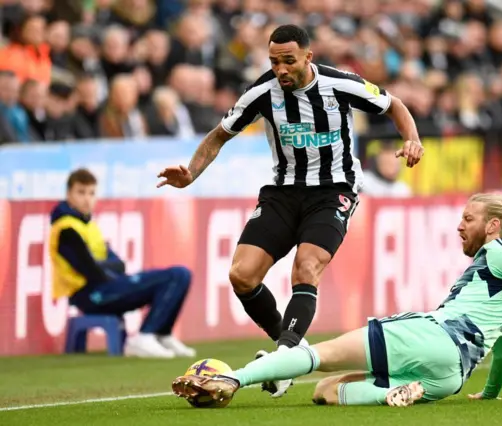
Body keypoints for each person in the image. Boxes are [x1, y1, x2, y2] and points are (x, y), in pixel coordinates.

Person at [157, 24, 424, 396]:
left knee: (307, 266)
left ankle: (282, 357)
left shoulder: (340, 84)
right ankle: (292, 352)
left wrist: (411, 139)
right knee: (242, 275)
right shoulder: (261, 93)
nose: (280, 69)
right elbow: (220, 134)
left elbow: (394, 104)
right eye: (273, 61)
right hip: (283, 192)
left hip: (333, 191)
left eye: (288, 61)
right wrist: (190, 173)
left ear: (307, 57)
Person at [171, 193, 502, 407]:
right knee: (326, 393)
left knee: (316, 356)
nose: (459, 226)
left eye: (468, 219)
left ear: (493, 227)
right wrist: (488, 394)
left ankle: (235, 380)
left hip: (430, 336)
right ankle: (408, 390)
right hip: (451, 377)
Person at [49, 168, 196, 359]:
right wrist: (105, 267)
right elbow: (91, 270)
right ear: (69, 194)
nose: (87, 199)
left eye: (91, 193)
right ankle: (144, 336)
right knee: (175, 275)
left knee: (182, 274)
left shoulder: (88, 225)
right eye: (81, 192)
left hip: (106, 287)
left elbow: (118, 264)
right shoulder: (66, 229)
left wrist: (104, 266)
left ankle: (161, 333)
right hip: (89, 294)